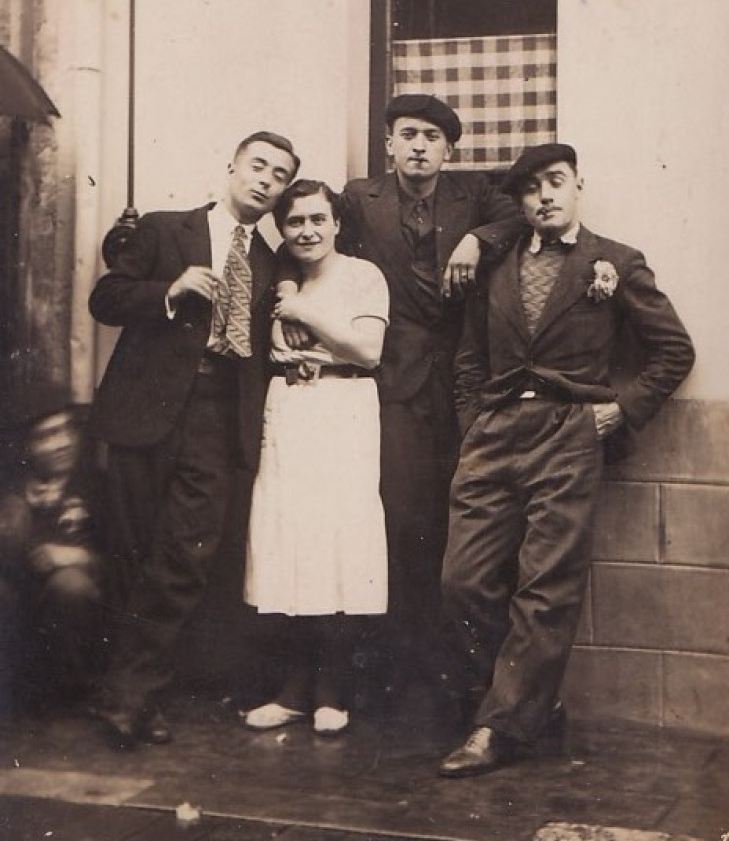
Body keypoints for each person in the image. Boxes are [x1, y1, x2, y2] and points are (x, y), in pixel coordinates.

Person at [437, 143, 695, 777]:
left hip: (569, 431)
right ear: (518, 202)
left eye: (555, 182)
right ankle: (526, 705)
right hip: (495, 429)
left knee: (546, 586)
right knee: (461, 580)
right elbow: (470, 357)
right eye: (530, 189)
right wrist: (474, 424)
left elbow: (673, 350)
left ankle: (498, 726)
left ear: (580, 184)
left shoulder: (615, 262)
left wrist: (618, 410)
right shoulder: (495, 261)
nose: (544, 197)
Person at [88, 131, 300, 749]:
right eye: (257, 166)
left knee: (184, 560)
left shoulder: (270, 261)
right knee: (130, 551)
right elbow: (106, 299)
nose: (265, 180)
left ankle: (129, 694)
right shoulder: (164, 230)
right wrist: (170, 291)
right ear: (230, 167)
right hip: (145, 413)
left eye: (279, 175)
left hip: (216, 417)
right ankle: (133, 696)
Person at [333, 94, 524, 689]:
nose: (419, 145)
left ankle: (455, 673)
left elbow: (519, 216)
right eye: (408, 134)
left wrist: (477, 241)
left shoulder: (476, 196)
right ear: (389, 143)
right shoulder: (358, 199)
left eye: (433, 137)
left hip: (465, 378)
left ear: (449, 150)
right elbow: (307, 234)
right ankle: (394, 668)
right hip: (393, 380)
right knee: (402, 517)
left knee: (460, 521)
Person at [243, 180, 389, 734]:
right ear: (282, 229)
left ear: (337, 224)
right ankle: (295, 688)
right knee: (289, 544)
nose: (307, 230)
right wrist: (290, 291)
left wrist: (305, 309)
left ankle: (333, 689)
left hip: (344, 405)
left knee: (336, 543)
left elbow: (368, 350)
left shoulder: (361, 276)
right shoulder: (282, 274)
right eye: (296, 221)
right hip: (288, 406)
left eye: (318, 220)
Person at [0, 395, 106, 716]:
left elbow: (126, 559)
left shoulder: (96, 485)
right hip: (22, 609)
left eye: (66, 430)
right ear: (26, 447)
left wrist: (78, 556)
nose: (61, 443)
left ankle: (70, 694)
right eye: (46, 436)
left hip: (76, 618)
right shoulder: (14, 488)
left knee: (70, 585)